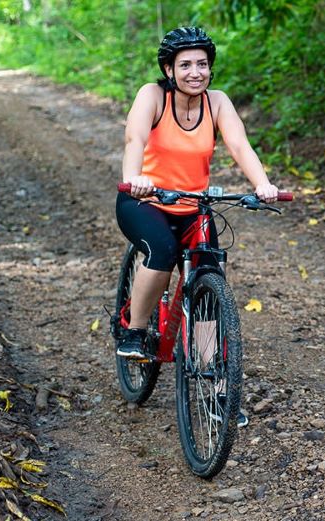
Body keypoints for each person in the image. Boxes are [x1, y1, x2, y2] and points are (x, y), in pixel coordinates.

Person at [115, 27, 279, 427]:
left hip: (193, 204)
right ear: (169, 69)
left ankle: (211, 379)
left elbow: (240, 145)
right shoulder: (152, 97)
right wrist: (135, 178)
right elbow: (134, 139)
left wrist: (262, 184)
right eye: (185, 64)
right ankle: (135, 331)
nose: (195, 72)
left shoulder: (217, 103)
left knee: (208, 273)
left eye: (202, 64)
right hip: (145, 201)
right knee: (162, 251)